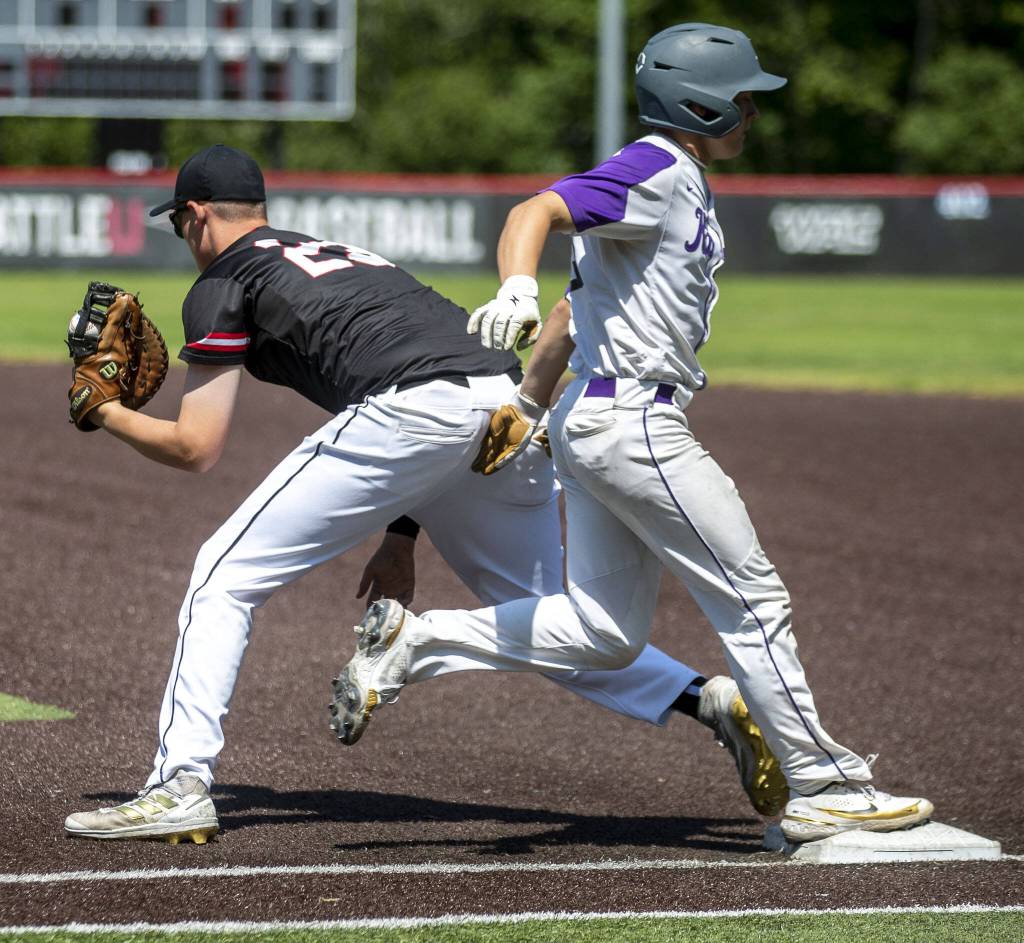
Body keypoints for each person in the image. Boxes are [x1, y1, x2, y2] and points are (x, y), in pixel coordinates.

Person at [63, 144, 784, 843]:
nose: (184, 238)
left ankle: (178, 785)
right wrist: (401, 535)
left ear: (195, 215)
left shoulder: (224, 280)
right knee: (546, 617)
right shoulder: (346, 258)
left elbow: (197, 446)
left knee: (223, 576)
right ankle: (706, 699)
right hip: (506, 406)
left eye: (178, 225)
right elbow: (434, 373)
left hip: (415, 413)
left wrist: (106, 412)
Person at [332, 24, 934, 845]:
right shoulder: (655, 165)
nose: (753, 114)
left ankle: (419, 637)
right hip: (635, 422)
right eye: (744, 99)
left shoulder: (673, 178)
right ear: (702, 102)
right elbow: (536, 208)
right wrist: (513, 280)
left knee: (604, 635)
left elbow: (574, 313)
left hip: (595, 418)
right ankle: (825, 783)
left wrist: (535, 405)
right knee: (753, 598)